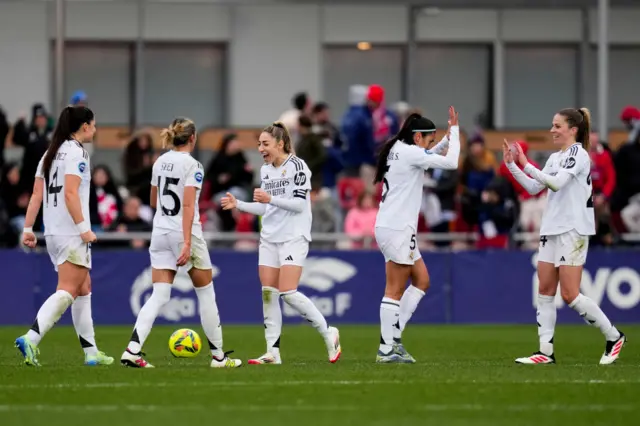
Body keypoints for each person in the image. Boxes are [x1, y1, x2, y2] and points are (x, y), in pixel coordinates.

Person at [504, 108, 626, 365]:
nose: (552, 130)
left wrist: (525, 163)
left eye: (557, 125)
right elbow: (535, 187)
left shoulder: (579, 154)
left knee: (570, 295)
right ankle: (545, 352)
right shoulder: (555, 157)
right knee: (545, 291)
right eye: (552, 125)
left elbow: (557, 183)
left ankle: (613, 336)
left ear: (573, 129)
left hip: (573, 229)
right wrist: (512, 166)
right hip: (551, 228)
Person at [121, 118, 241, 369]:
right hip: (184, 232)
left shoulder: (159, 162)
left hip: (160, 231)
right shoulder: (193, 165)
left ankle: (132, 350)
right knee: (206, 293)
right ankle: (219, 357)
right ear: (193, 139)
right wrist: (187, 241)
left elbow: (154, 201)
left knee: (159, 294)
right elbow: (188, 205)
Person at [221, 122, 341, 365]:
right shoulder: (266, 170)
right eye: (258, 144)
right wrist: (240, 205)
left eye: (265, 144)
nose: (260, 149)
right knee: (268, 294)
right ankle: (272, 352)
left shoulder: (298, 166)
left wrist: (271, 198)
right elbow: (266, 207)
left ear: (280, 144)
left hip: (293, 237)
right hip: (269, 238)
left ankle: (329, 333)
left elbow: (298, 204)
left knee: (288, 292)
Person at [15, 105, 113, 367]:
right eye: (93, 124)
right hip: (72, 232)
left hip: (53, 231)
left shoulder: (50, 153)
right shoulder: (77, 153)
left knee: (84, 288)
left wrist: (27, 228)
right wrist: (84, 229)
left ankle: (91, 352)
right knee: (68, 290)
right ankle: (31, 338)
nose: (95, 128)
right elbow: (71, 193)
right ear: (84, 126)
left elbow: (37, 194)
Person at [373, 107, 460, 363]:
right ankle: (386, 347)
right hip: (397, 227)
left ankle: (393, 337)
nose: (429, 144)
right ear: (418, 137)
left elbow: (428, 154)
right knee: (394, 289)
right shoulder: (410, 152)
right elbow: (452, 162)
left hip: (396, 226)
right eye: (429, 139)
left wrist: (443, 139)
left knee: (422, 280)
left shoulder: (401, 149)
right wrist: (454, 132)